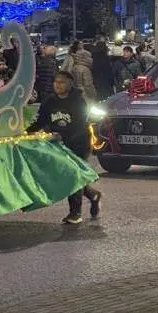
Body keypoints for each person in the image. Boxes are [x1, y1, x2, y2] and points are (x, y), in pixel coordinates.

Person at [26, 71, 102, 224]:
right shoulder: (50, 101)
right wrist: (26, 132)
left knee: (73, 175)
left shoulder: (78, 101)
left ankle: (75, 213)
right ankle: (93, 194)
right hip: (57, 144)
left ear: (70, 84)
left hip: (78, 143)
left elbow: (79, 125)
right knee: (69, 175)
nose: (57, 85)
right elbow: (41, 120)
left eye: (61, 82)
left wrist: (62, 136)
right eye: (56, 82)